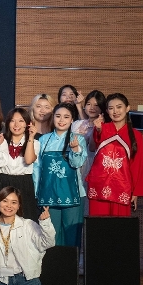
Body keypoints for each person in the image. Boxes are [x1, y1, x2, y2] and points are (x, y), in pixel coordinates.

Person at [30, 103, 88, 247]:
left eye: (66, 117)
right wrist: (37, 192)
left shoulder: (78, 139)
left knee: (72, 236)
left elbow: (77, 163)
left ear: (72, 120)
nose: (61, 120)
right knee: (51, 236)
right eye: (58, 116)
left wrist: (75, 149)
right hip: (48, 194)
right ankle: (54, 262)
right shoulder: (44, 140)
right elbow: (37, 169)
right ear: (53, 118)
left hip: (74, 194)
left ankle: (72, 263)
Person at [85, 93, 143, 217]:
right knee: (98, 225)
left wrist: (135, 192)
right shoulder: (102, 128)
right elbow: (93, 146)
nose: (115, 111)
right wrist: (97, 129)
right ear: (107, 111)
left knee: (119, 227)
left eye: (119, 107)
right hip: (99, 186)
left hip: (122, 187)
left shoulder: (136, 135)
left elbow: (138, 164)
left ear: (127, 108)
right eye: (111, 108)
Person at [0, 108, 40, 224]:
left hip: (24, 183)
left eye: (21, 121)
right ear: (8, 123)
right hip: (4, 182)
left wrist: (31, 137)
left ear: (27, 124)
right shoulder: (0, 140)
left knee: (25, 220)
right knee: (3, 220)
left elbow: (28, 160)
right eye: (12, 121)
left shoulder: (35, 142)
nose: (16, 125)